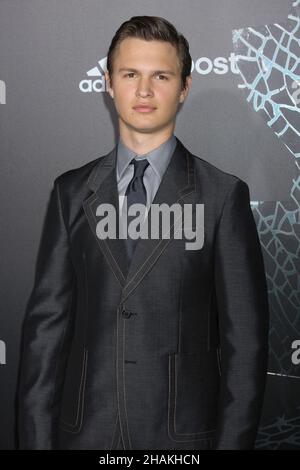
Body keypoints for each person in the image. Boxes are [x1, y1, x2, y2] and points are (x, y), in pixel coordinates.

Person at [17, 15, 269, 450]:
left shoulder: (224, 197)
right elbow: (46, 336)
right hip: (83, 436)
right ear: (109, 84)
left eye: (161, 76)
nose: (145, 91)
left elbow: (245, 347)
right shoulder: (71, 192)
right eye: (130, 74)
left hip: (183, 442)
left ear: (185, 87)